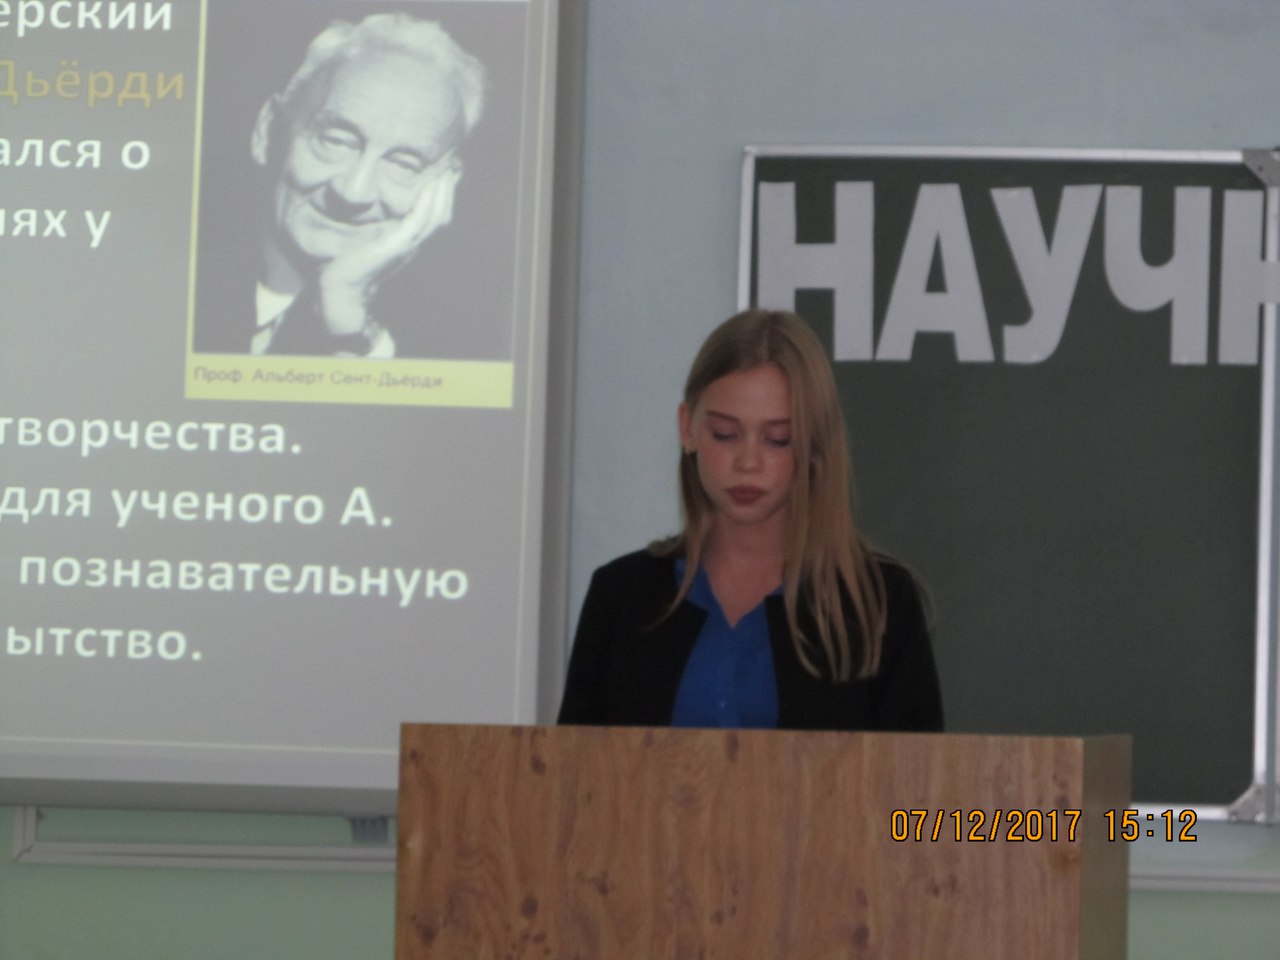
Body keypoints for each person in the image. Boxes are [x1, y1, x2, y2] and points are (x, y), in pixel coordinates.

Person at [558, 309, 943, 731]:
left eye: (778, 439)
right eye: (725, 434)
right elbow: (569, 767)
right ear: (687, 428)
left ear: (815, 444)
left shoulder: (878, 604)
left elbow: (917, 771)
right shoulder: (620, 596)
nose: (748, 462)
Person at [244, 14, 484, 358]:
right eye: (336, 141)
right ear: (268, 131)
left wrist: (346, 306)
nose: (353, 193)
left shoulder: (464, 342)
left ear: (445, 184)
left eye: (403, 164)